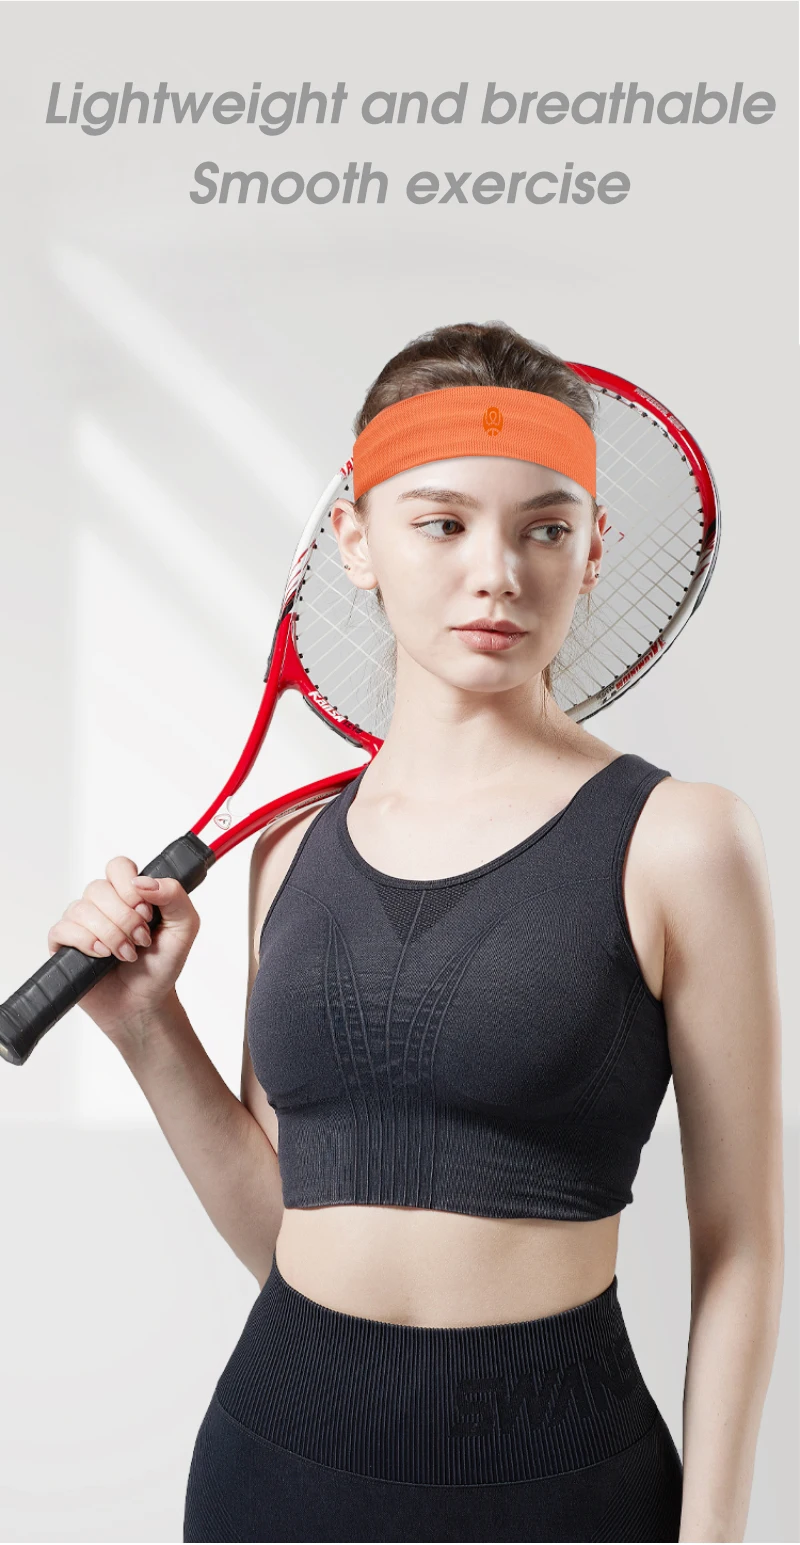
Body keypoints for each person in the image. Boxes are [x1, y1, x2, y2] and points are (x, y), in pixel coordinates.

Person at [51, 322, 783, 1543]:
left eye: (543, 528)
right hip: (270, 1476)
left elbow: (742, 1249)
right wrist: (146, 1029)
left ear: (592, 549)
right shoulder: (289, 855)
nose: (495, 573)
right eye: (440, 523)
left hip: (560, 1491)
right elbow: (285, 1233)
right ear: (354, 540)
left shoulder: (680, 842)